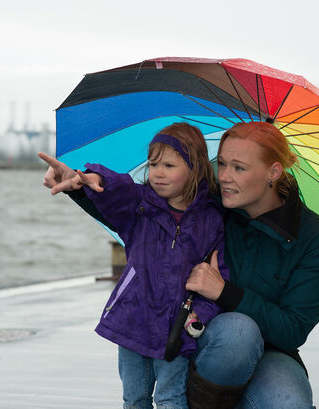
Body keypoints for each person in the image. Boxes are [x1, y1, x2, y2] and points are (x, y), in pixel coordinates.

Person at [42, 121, 319, 409]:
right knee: (237, 333)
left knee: (287, 402)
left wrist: (223, 291)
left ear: (273, 171)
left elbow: (293, 330)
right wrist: (78, 187)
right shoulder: (205, 203)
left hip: (272, 353)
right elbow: (142, 218)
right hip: (197, 339)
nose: (224, 177)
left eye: (239, 168)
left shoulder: (314, 236)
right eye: (221, 164)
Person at [39, 122, 230, 409]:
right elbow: (116, 188)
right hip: (134, 319)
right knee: (135, 398)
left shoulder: (211, 219)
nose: (158, 172)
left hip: (176, 328)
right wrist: (90, 177)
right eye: (153, 164)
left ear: (195, 168)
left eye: (169, 164)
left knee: (170, 397)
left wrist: (198, 316)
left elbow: (218, 275)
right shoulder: (140, 205)